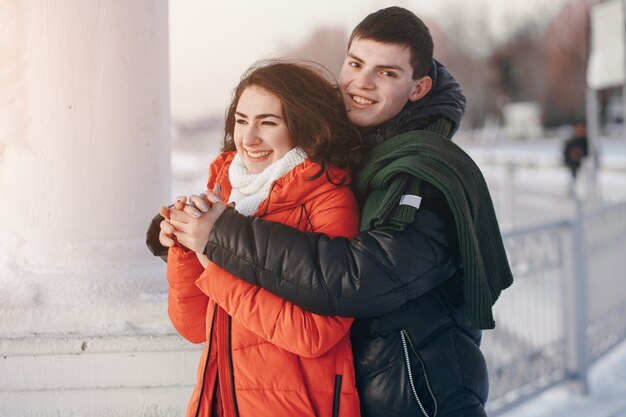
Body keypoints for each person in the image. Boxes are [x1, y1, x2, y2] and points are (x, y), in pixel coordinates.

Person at [149, 7, 514, 417]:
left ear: (418, 87)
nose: (362, 82)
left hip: (420, 395)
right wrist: (180, 232)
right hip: (366, 389)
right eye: (356, 64)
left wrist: (218, 238)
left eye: (387, 73)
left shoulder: (424, 175)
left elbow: (360, 279)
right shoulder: (354, 152)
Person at [160, 61, 363, 417]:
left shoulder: (328, 199)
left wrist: (214, 258)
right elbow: (193, 327)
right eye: (241, 120)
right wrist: (185, 246)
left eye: (268, 123)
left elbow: (315, 333)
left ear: (305, 126)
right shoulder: (225, 192)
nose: (248, 138)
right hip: (218, 403)